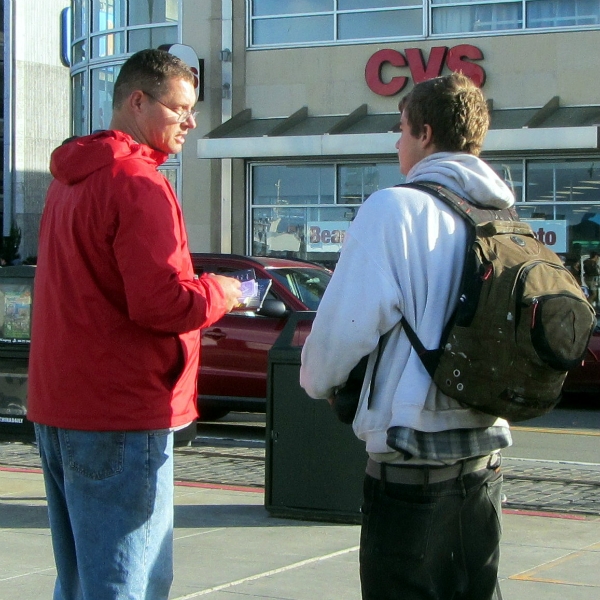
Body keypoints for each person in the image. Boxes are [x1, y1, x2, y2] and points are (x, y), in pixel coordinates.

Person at [27, 49, 242, 600]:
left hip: (62, 406)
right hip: (121, 412)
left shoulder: (71, 179)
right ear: (137, 100)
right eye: (180, 110)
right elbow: (163, 304)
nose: (191, 123)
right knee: (130, 581)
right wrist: (223, 291)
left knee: (81, 579)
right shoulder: (138, 184)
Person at [300, 73, 513, 600]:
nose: (397, 143)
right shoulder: (500, 214)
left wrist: (319, 383)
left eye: (400, 130)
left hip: (411, 473)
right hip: (484, 469)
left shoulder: (393, 209)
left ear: (424, 132)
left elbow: (337, 340)